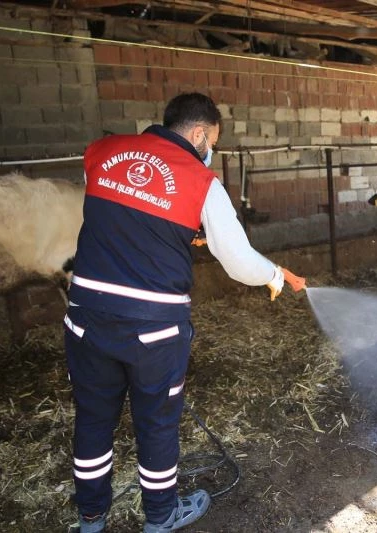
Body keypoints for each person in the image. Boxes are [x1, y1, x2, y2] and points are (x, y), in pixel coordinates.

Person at [64, 92, 286, 533]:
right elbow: (238, 261)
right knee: (157, 424)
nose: (212, 152)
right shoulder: (201, 181)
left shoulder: (102, 152)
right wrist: (273, 274)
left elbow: (124, 216)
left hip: (86, 316)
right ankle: (161, 517)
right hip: (154, 329)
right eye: (214, 142)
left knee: (91, 419)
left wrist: (175, 233)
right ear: (200, 133)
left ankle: (90, 517)